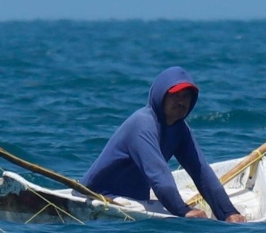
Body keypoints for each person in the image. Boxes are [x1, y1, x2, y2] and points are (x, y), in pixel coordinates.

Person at [82, 67, 246, 222]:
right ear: (161, 96)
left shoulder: (180, 129)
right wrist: (183, 211)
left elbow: (201, 172)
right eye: (175, 95)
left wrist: (228, 213)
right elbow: (159, 176)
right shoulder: (142, 124)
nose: (181, 102)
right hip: (97, 196)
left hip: (135, 202)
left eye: (186, 96)